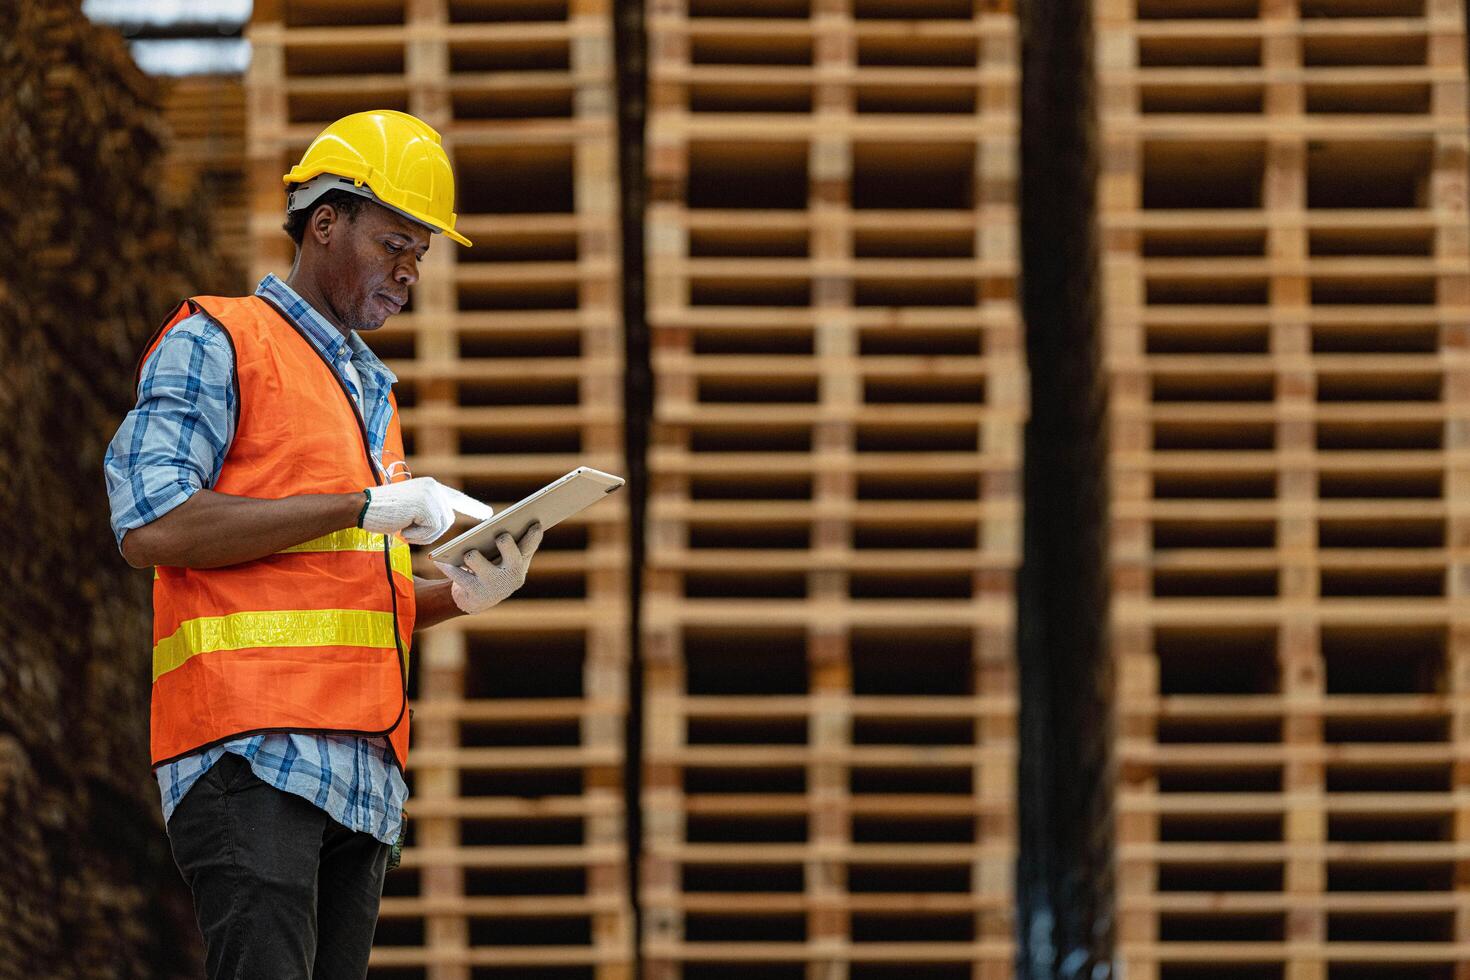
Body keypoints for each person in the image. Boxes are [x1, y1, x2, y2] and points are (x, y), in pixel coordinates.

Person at [103, 109, 538, 980]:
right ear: (325, 222)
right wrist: (360, 505)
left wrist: (460, 593)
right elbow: (152, 526)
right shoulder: (218, 340)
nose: (410, 270)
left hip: (362, 782)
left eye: (421, 254)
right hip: (254, 758)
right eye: (394, 244)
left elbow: (334, 597)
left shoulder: (369, 396)